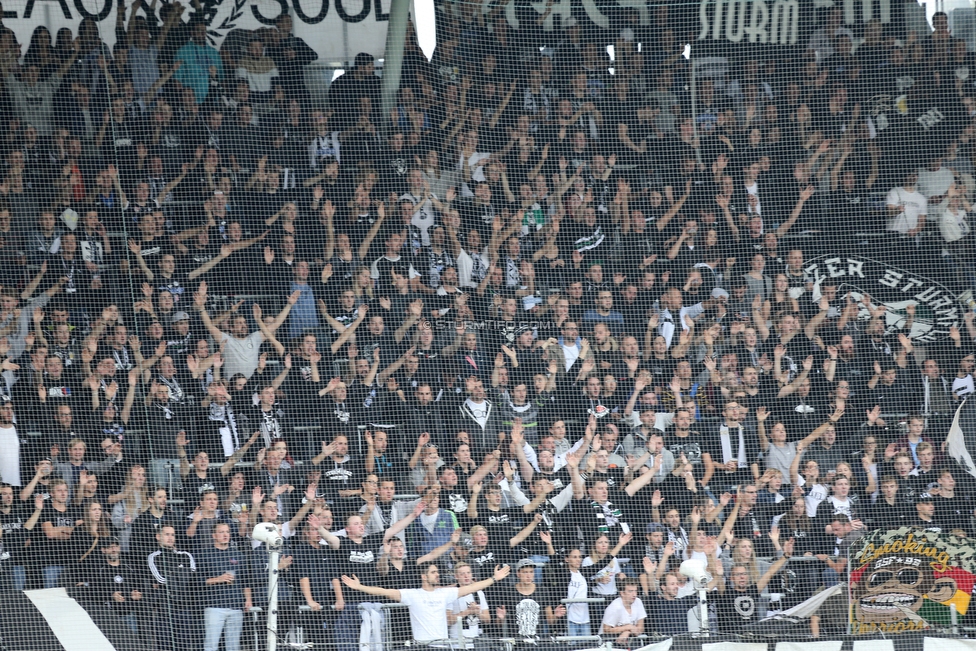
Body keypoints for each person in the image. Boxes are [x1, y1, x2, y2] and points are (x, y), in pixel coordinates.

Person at [339, 563, 511, 643]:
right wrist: (359, 587)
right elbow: (384, 591)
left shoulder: (446, 593)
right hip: (422, 646)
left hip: (444, 645)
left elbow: (472, 587)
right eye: (433, 572)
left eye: (437, 572)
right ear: (423, 576)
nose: (437, 575)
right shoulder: (412, 594)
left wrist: (494, 578)